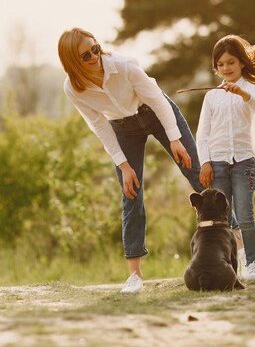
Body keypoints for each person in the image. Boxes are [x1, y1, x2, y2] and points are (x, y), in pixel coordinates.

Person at [57, 27, 204, 293]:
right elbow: (99, 125)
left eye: (96, 48)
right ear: (73, 62)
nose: (94, 56)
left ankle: (238, 246)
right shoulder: (73, 88)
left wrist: (174, 139)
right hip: (122, 128)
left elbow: (159, 102)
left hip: (155, 112)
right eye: (86, 55)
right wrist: (123, 165)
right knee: (131, 193)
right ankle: (135, 276)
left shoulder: (125, 67)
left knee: (196, 173)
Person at [196, 34, 255, 283]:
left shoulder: (250, 89)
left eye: (231, 63)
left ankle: (254, 264)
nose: (226, 68)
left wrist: (242, 94)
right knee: (222, 218)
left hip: (244, 162)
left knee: (245, 214)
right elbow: (202, 133)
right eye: (221, 64)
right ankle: (229, 264)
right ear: (216, 67)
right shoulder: (211, 96)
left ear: (241, 64)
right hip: (218, 163)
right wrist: (204, 162)